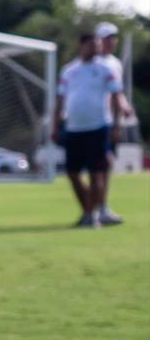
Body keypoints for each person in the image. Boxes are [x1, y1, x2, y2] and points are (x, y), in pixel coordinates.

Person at [54, 33, 122, 228]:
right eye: (93, 45)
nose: (97, 49)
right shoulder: (69, 70)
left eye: (99, 46)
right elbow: (59, 100)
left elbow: (116, 97)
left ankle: (92, 215)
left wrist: (116, 125)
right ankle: (88, 211)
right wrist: (55, 125)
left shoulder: (105, 69)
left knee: (96, 172)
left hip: (98, 127)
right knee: (73, 172)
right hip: (73, 128)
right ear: (82, 46)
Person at [93, 21, 130, 223]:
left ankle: (101, 208)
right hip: (91, 122)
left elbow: (117, 92)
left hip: (107, 121)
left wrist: (123, 106)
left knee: (104, 164)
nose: (111, 41)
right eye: (107, 38)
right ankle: (95, 209)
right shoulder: (90, 61)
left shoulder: (115, 63)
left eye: (113, 38)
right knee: (97, 165)